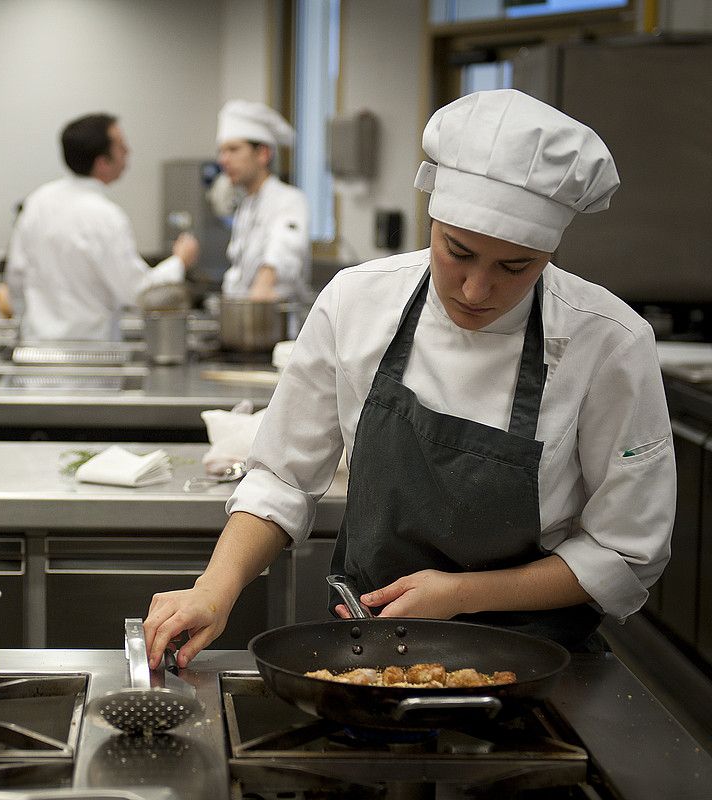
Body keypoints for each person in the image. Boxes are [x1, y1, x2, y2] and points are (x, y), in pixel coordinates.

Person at [144, 89, 675, 667]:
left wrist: (462, 595)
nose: (476, 290)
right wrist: (214, 590)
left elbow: (625, 550)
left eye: (513, 268)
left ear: (549, 254)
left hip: (538, 661)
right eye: (458, 251)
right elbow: (282, 478)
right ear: (433, 218)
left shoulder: (609, 341)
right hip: (369, 654)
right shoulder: (358, 301)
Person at [4, 113, 200, 341]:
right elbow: (139, 293)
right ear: (102, 162)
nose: (128, 152)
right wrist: (180, 262)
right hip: (90, 358)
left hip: (37, 352)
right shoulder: (105, 216)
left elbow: (16, 280)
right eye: (122, 147)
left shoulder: (38, 201)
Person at [214, 100, 310, 302]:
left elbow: (285, 247)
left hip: (275, 324)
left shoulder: (289, 200)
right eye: (222, 151)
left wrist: (265, 280)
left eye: (233, 149)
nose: (223, 160)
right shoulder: (246, 205)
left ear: (263, 154)